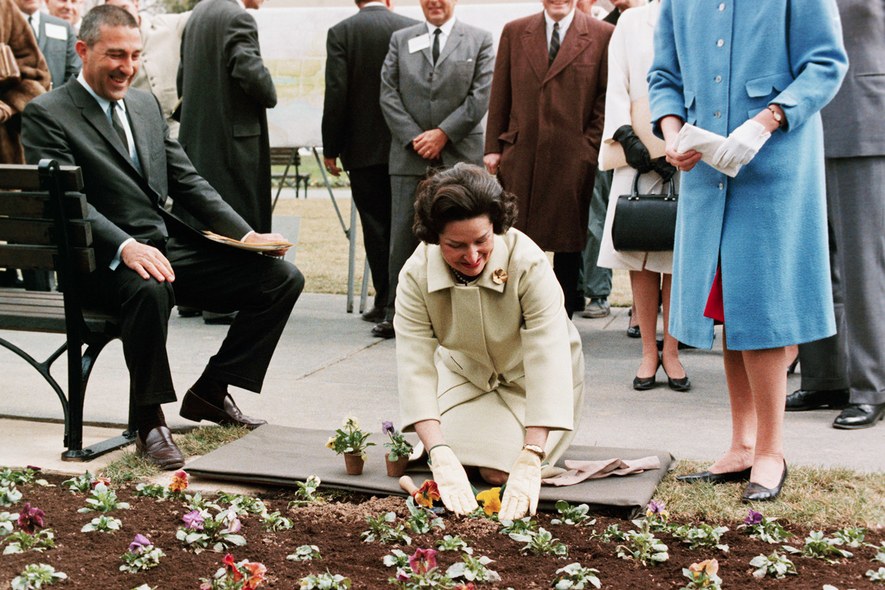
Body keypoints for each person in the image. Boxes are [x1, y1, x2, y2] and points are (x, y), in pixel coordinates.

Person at [22, 5, 305, 470]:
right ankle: (149, 419)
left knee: (280, 279)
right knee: (149, 287)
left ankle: (212, 390)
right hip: (100, 261)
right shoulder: (47, 114)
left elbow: (187, 180)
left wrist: (248, 234)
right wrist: (125, 247)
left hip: (165, 249)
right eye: (115, 55)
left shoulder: (143, 103)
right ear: (82, 50)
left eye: (134, 56)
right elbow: (68, 205)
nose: (126, 67)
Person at [648, 0, 847, 501]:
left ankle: (771, 450)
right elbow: (664, 76)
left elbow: (825, 62)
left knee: (762, 304)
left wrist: (767, 119)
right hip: (704, 169)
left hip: (774, 167)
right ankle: (741, 444)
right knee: (727, 304)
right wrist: (673, 136)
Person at [395, 163, 584, 520]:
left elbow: (549, 359)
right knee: (454, 461)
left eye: (482, 240)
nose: (472, 256)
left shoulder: (529, 263)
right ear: (434, 238)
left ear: (496, 226)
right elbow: (414, 366)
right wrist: (438, 451)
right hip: (467, 378)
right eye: (456, 245)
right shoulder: (415, 275)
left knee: (500, 472)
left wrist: (532, 454)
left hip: (531, 383)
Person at [788, 0, 885, 430]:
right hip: (797, 122)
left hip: (865, 119)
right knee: (812, 260)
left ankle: (872, 386)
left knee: (863, 264)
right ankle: (826, 377)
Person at [483, 0, 612, 318]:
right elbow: (500, 90)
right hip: (522, 153)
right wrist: (494, 147)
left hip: (572, 157)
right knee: (517, 240)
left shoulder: (602, 34)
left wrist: (588, 148)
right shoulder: (515, 31)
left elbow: (605, 97)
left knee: (568, 240)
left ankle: (563, 317)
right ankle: (517, 313)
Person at [378, 0, 494, 339]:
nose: (435, 2)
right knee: (402, 236)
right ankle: (396, 312)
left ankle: (465, 314)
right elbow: (388, 94)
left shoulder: (480, 39)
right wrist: (416, 138)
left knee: (464, 237)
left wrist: (443, 134)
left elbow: (480, 95)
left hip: (460, 155)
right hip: (409, 156)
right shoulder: (401, 40)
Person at [596, 0, 687, 392]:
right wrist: (629, 140)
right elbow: (616, 85)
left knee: (680, 258)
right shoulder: (631, 21)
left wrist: (684, 143)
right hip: (636, 152)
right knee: (642, 255)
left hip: (689, 152)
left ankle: (674, 352)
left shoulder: (697, 13)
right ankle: (648, 351)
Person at [321, 0, 417, 326]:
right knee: (406, 225)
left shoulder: (341, 32)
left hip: (362, 149)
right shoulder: (411, 27)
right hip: (408, 144)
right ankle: (406, 301)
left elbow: (337, 92)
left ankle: (383, 299)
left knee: (375, 228)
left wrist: (331, 147)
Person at [177, 0, 276, 234]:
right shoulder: (238, 19)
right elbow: (252, 74)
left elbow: (182, 79)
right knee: (238, 233)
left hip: (198, 144)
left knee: (204, 227)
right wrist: (270, 90)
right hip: (233, 153)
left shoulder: (198, 13)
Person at [0, 0, 51, 290]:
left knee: (22, 225)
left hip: (6, 156)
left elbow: (37, 76)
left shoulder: (5, 9)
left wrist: (8, 106)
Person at [105, 0, 189, 138]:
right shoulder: (109, 43)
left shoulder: (168, 24)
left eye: (124, 8)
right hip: (139, 128)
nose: (119, 15)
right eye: (112, 11)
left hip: (177, 124)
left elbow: (203, 14)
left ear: (136, 4)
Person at [15, 0, 79, 88]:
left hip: (56, 98)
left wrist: (57, 99)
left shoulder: (62, 27)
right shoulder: (4, 25)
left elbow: (74, 72)